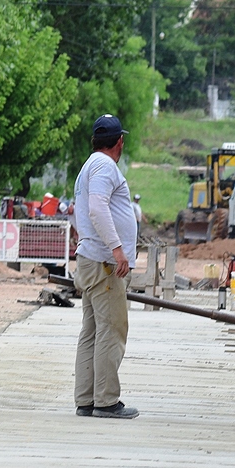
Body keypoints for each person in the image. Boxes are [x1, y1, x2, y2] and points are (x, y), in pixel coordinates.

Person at [72, 114, 139, 419]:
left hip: (91, 259)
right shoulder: (104, 166)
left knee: (92, 331)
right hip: (104, 263)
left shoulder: (89, 166)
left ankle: (87, 399)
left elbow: (85, 210)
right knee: (111, 329)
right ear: (119, 142)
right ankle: (106, 401)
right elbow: (97, 207)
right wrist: (118, 250)